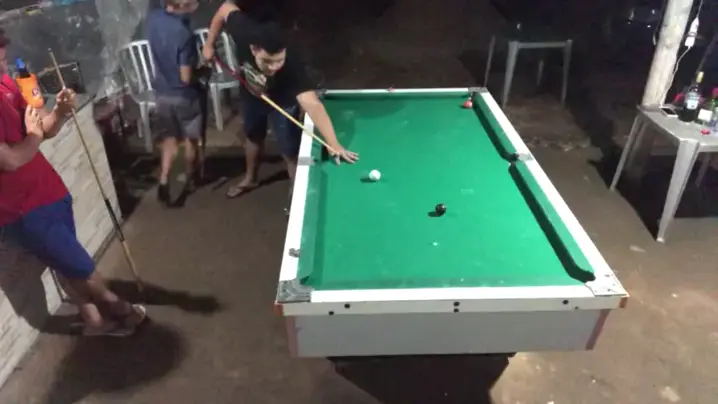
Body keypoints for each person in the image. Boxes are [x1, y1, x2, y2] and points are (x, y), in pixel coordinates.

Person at [0, 29, 146, 336]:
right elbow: (10, 160)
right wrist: (35, 136)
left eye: (2, 56)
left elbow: (45, 129)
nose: (3, 63)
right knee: (80, 265)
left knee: (67, 262)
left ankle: (94, 322)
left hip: (47, 189)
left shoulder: (8, 83)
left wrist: (60, 111)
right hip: (21, 209)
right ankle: (119, 307)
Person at [206, 10, 359, 197]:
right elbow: (224, 10)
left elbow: (312, 104)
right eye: (267, 61)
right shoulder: (242, 30)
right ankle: (251, 178)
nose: (273, 67)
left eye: (278, 61)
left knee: (290, 150)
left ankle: (297, 191)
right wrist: (209, 44)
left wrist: (334, 143)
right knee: (252, 138)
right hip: (251, 96)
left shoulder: (293, 65)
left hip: (283, 101)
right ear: (254, 49)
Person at [146, 0, 204, 204]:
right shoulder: (184, 34)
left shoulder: (153, 19)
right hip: (184, 96)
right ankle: (190, 177)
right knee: (190, 138)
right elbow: (186, 77)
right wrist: (202, 72)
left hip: (161, 93)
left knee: (169, 139)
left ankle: (163, 181)